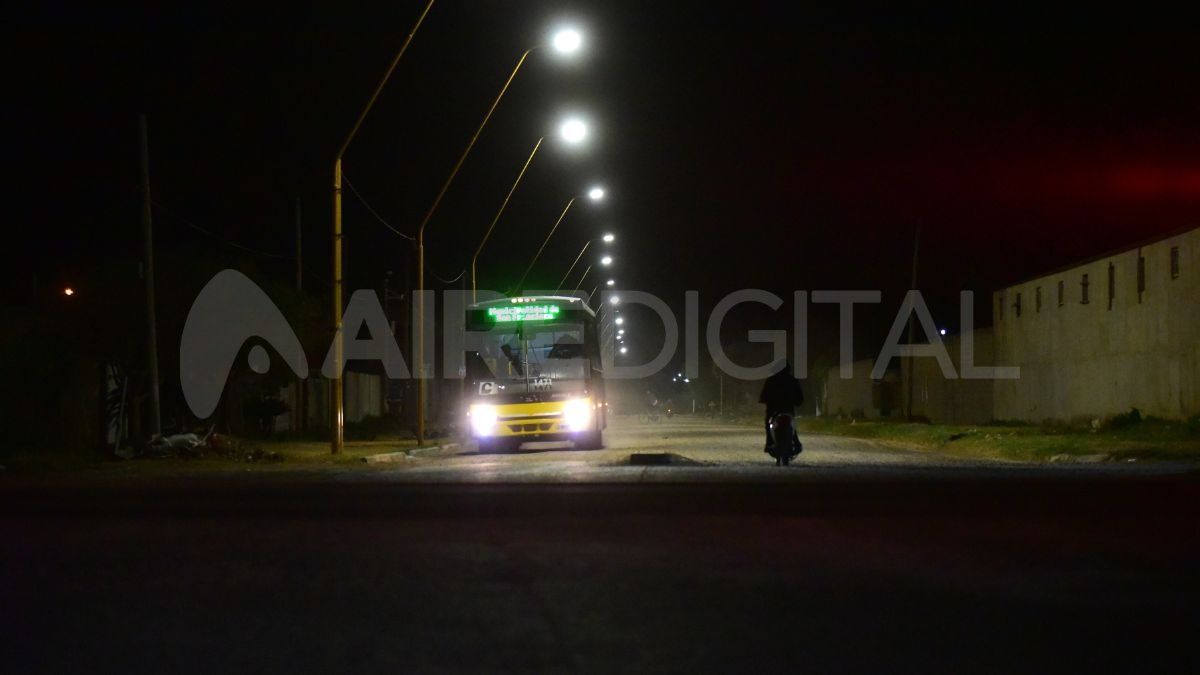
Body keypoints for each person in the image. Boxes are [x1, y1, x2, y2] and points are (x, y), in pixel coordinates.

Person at [758, 364, 804, 451]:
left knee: (769, 424)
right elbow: (799, 396)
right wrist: (798, 401)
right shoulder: (792, 380)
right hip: (787, 408)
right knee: (792, 424)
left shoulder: (771, 380)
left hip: (774, 409)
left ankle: (769, 442)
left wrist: (763, 400)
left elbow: (764, 394)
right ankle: (796, 442)